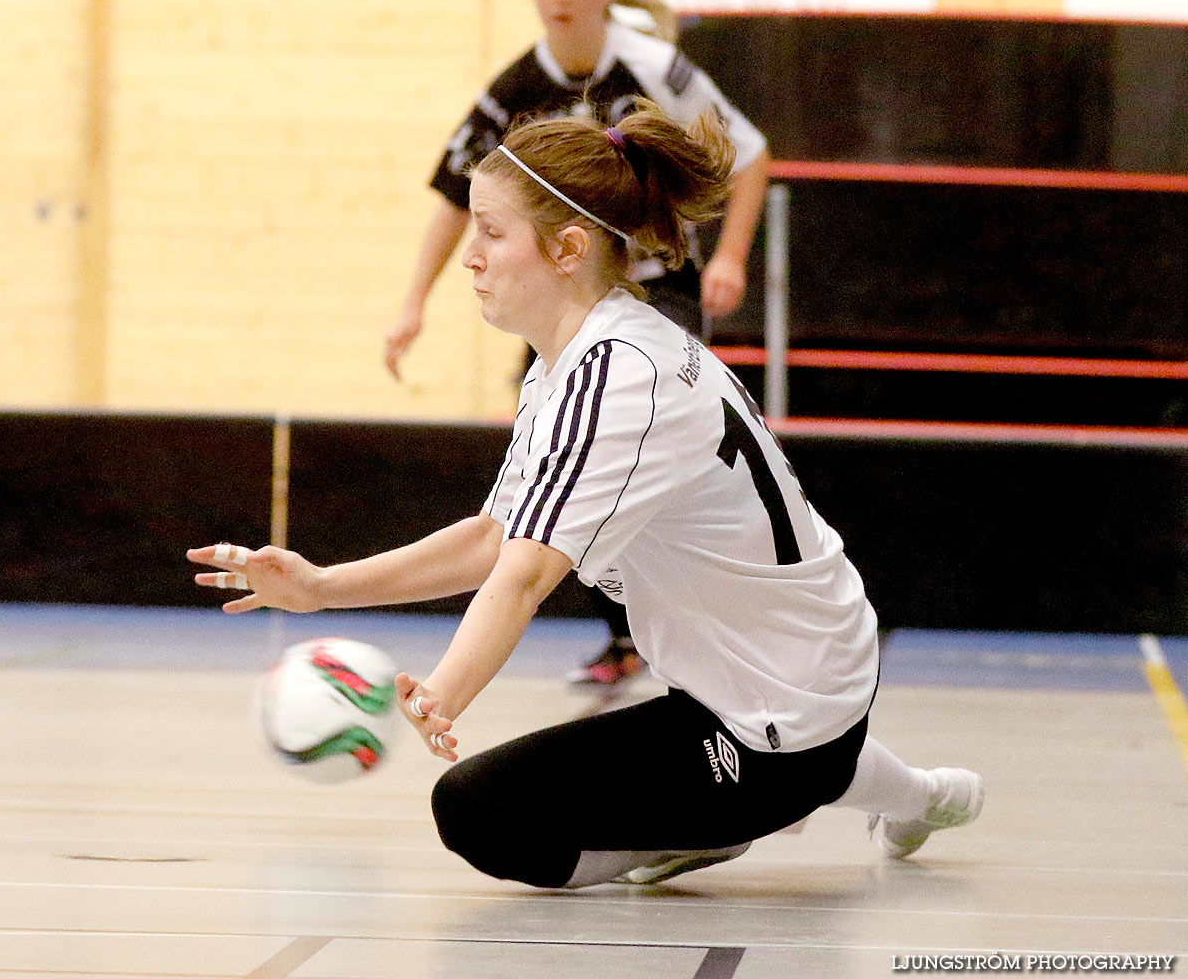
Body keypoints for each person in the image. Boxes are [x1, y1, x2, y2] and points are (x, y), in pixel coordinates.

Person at [192, 102, 983, 888]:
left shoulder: (617, 378)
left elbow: (525, 575)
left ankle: (724, 822)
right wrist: (322, 588)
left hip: (777, 713)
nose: (469, 257)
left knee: (479, 812)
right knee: (795, 747)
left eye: (492, 234)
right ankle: (910, 796)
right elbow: (494, 538)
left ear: (568, 249)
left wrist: (445, 693)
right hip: (802, 677)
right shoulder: (583, 357)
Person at [383, 0, 771, 689]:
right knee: (558, 467)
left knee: (611, 445)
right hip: (562, 291)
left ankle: (703, 626)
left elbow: (748, 153)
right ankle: (627, 637)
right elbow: (452, 198)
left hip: (656, 287)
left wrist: (734, 257)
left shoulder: (656, 68)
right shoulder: (514, 86)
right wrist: (413, 304)